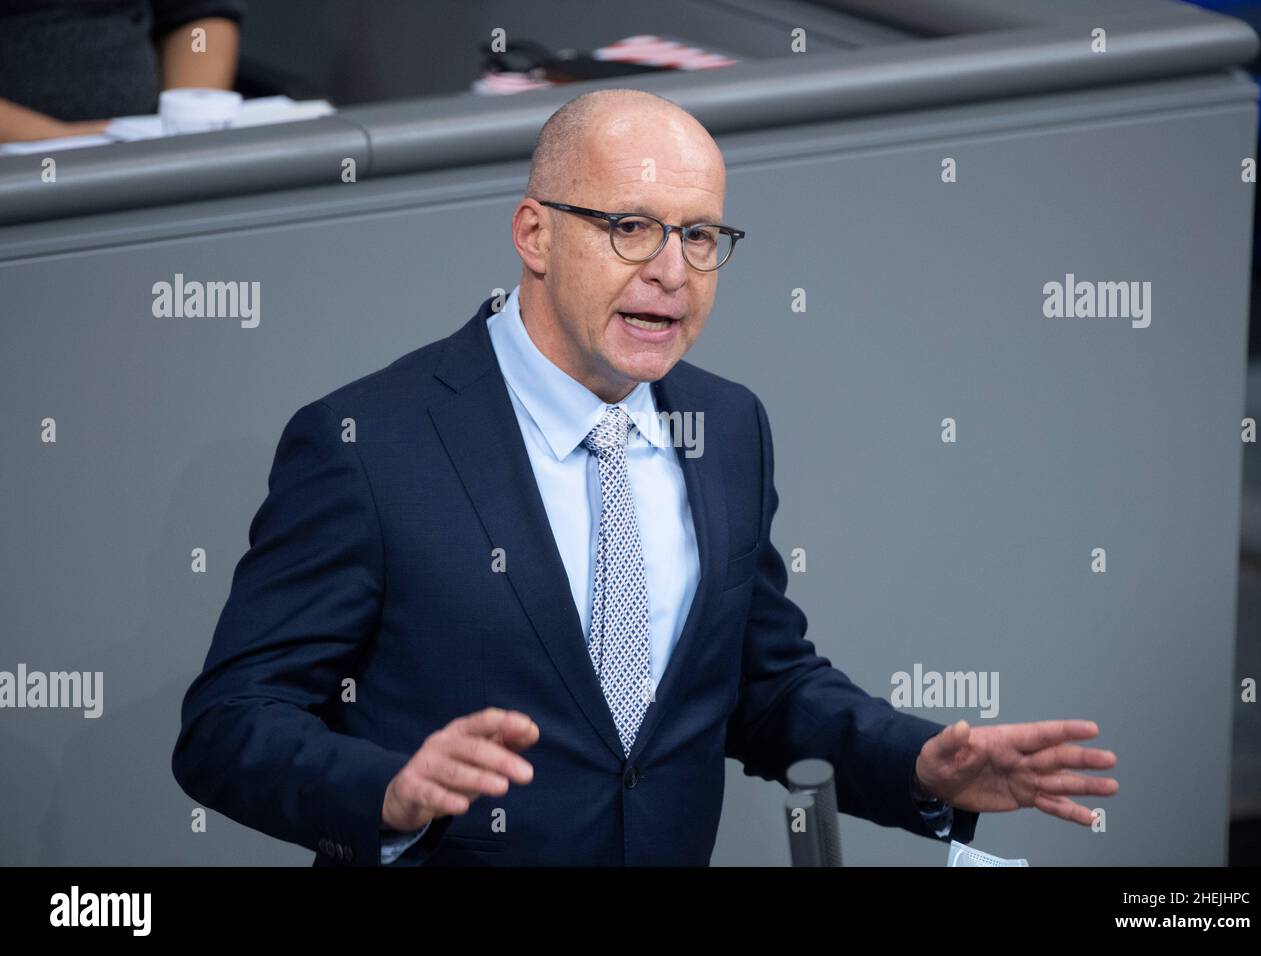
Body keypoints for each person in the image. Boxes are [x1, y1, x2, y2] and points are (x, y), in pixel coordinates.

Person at [172, 88, 1119, 866]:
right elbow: (228, 725)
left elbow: (764, 684)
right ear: (535, 235)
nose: (673, 270)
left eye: (701, 237)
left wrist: (920, 764)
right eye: (632, 227)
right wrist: (386, 791)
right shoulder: (370, 441)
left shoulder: (729, 426)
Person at [0, 0, 243, 142]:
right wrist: (71, 142)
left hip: (140, 153)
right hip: (25, 169)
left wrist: (190, 119)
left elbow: (198, 16)